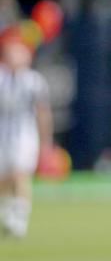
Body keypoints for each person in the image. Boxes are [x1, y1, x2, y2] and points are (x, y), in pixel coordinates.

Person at [0, 36, 52, 239]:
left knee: (20, 173)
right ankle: (8, 211)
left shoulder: (34, 81)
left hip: (24, 134)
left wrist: (45, 142)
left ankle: (19, 219)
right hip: (2, 134)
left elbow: (42, 113)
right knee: (4, 179)